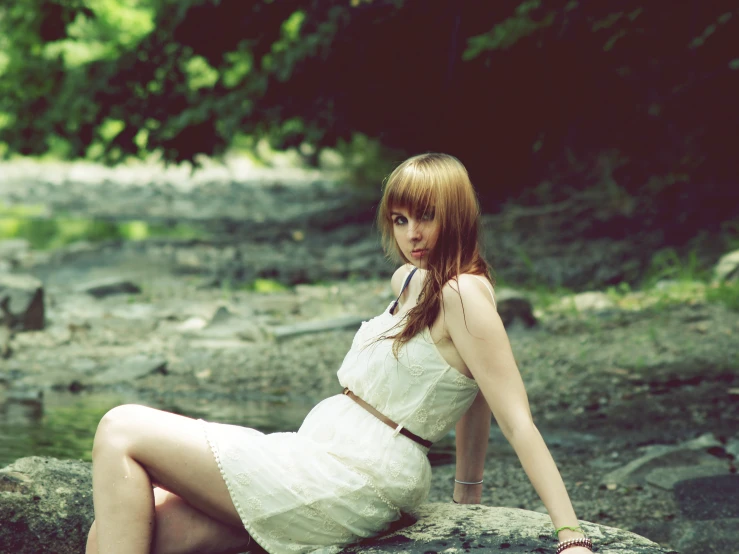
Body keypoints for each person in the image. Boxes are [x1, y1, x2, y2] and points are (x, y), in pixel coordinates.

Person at [85, 153, 593, 554]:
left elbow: (515, 417)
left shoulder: (465, 294)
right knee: (124, 527)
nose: (411, 234)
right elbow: (472, 391)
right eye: (399, 219)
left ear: (457, 216)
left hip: (359, 473)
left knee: (120, 425)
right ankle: (276, 531)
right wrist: (467, 491)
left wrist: (569, 534)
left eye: (427, 216)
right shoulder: (411, 281)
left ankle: (290, 524)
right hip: (315, 454)